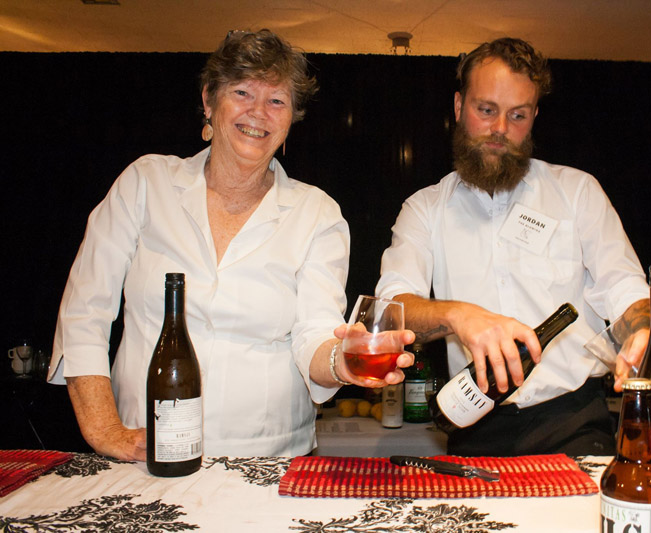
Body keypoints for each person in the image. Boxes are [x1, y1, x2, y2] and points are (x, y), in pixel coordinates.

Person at [48, 29, 413, 461]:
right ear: (208, 100)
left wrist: (344, 361)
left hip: (270, 461)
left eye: (277, 100)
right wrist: (105, 430)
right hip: (145, 450)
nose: (258, 112)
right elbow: (84, 312)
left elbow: (313, 333)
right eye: (241, 92)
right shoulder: (146, 184)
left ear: (291, 118)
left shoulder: (317, 212)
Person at [375, 37, 649, 457]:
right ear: (458, 107)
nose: (500, 129)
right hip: (473, 425)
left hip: (572, 422)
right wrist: (457, 314)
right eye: (486, 110)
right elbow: (390, 309)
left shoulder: (578, 192)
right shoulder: (425, 208)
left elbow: (624, 286)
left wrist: (643, 329)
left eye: (517, 115)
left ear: (535, 116)